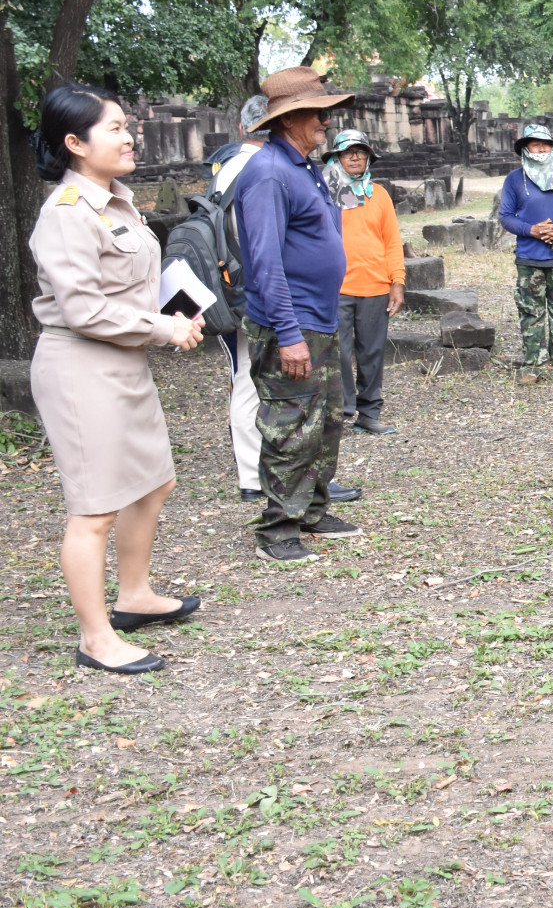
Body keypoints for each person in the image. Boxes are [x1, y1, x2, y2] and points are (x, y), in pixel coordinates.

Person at [27, 84, 206, 674]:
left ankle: (135, 595)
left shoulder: (117, 202)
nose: (129, 136)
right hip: (82, 366)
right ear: (74, 144)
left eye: (127, 125)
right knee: (94, 509)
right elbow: (82, 309)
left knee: (153, 483)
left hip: (123, 362)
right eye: (114, 129)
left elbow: (128, 287)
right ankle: (95, 638)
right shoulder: (66, 213)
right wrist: (162, 329)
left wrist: (177, 314)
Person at [231, 65, 361, 562]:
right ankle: (278, 526)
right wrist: (288, 334)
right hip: (292, 320)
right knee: (291, 421)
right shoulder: (267, 175)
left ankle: (310, 507)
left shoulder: (302, 167)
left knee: (326, 418)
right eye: (317, 114)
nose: (325, 123)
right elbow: (264, 262)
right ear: (290, 120)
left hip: (319, 317)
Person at [323, 129, 405, 434]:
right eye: (348, 152)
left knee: (371, 352)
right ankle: (341, 411)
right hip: (337, 286)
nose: (355, 157)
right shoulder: (325, 193)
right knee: (339, 352)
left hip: (375, 286)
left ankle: (369, 413)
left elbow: (392, 242)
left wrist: (398, 281)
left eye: (361, 152)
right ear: (336, 158)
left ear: (369, 157)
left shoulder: (379, 194)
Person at [207, 105, 270, 502]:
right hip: (253, 291)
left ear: (242, 126)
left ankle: (254, 473)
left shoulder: (225, 166)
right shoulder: (262, 169)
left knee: (246, 378)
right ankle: (260, 475)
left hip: (230, 288)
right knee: (256, 381)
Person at [497, 122, 553, 386]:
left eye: (546, 144)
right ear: (525, 149)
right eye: (535, 144)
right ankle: (531, 366)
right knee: (530, 312)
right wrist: (532, 230)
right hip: (529, 257)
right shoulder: (515, 179)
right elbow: (505, 217)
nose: (541, 149)